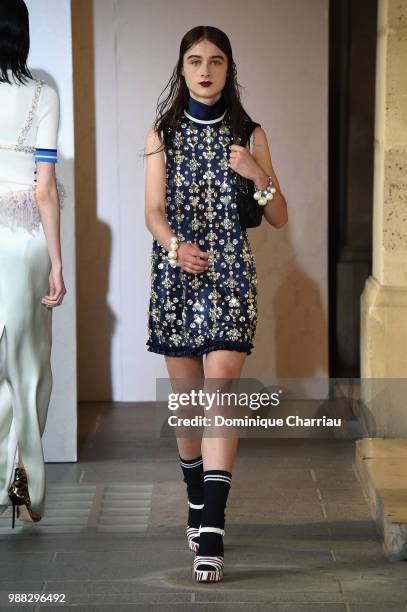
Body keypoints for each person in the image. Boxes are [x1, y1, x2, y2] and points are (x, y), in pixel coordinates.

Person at [145, 25, 287, 582]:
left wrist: (258, 174)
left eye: (217, 62)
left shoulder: (251, 134)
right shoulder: (163, 133)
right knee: (186, 401)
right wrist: (175, 248)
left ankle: (213, 528)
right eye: (195, 60)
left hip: (230, 276)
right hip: (177, 274)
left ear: (230, 70)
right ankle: (194, 494)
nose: (206, 71)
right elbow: (152, 211)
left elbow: (277, 217)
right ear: (182, 69)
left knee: (219, 391)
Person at [0, 0, 66, 527]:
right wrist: (59, 263)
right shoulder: (43, 92)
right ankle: (24, 478)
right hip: (25, 242)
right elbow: (44, 189)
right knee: (30, 367)